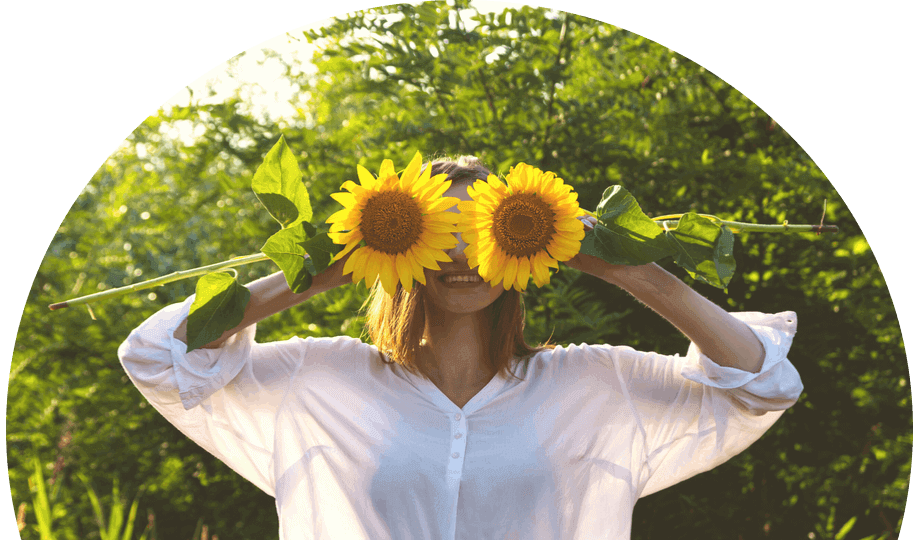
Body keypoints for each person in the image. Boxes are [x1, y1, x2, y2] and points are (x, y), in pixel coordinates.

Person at [118, 156, 803, 540]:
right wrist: (316, 269)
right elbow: (156, 356)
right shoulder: (319, 378)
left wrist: (626, 265)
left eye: (482, 228)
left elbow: (760, 382)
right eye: (437, 229)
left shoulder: (593, 384)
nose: (459, 254)